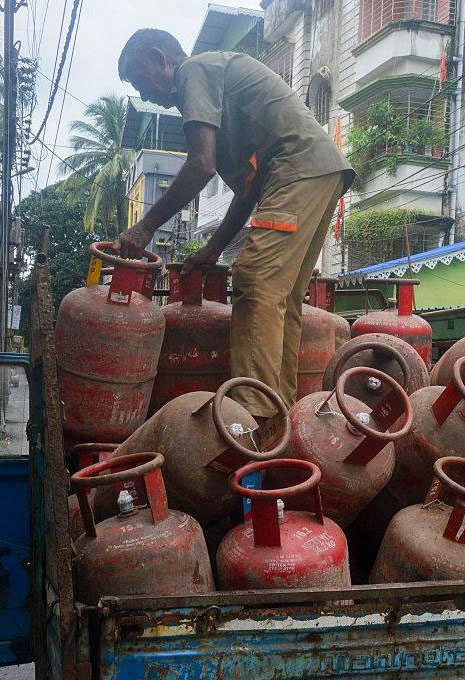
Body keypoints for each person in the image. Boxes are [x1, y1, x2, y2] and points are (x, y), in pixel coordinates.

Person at [113, 29, 353, 421]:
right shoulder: (216, 96)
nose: (144, 94)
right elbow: (246, 192)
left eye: (141, 80)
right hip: (320, 169)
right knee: (281, 296)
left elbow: (199, 165)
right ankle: (281, 411)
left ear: (162, 59)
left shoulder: (194, 71)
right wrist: (213, 248)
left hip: (298, 167)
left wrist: (145, 227)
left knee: (256, 280)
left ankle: (252, 413)